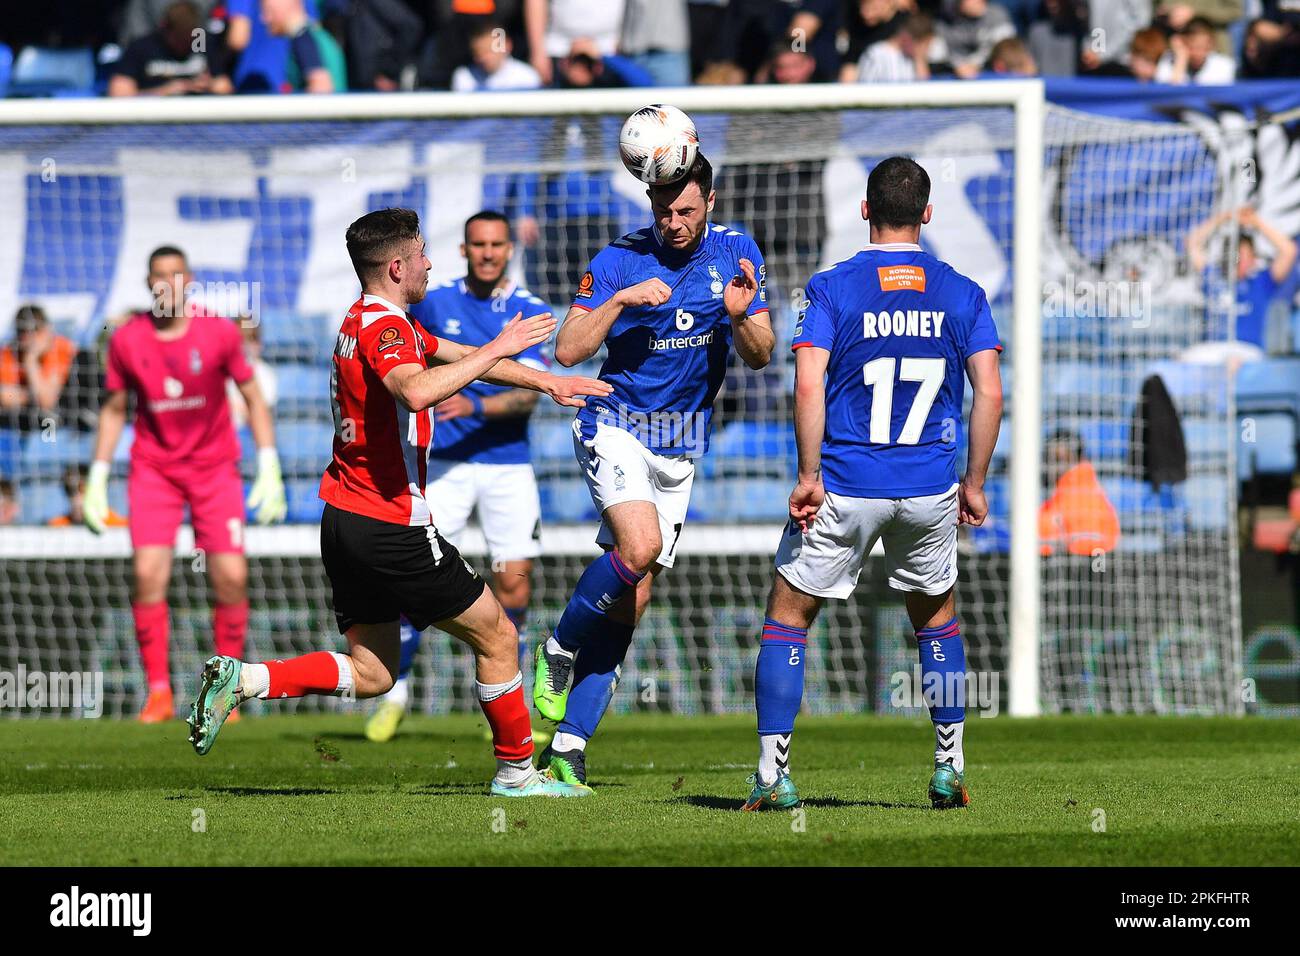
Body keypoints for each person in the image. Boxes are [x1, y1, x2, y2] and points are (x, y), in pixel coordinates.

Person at [182, 207, 610, 799]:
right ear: (396, 265)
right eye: (423, 254)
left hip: (343, 518)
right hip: (389, 522)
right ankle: (516, 774)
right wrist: (502, 344)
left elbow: (456, 356)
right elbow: (414, 391)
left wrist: (548, 381)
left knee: (374, 673)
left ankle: (246, 679)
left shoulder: (372, 320)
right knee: (499, 637)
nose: (432, 263)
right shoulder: (386, 329)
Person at [742, 156, 1003, 811]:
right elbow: (990, 394)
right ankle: (949, 769)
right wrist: (974, 483)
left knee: (789, 618)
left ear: (864, 210)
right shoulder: (963, 292)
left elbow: (807, 382)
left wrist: (808, 475)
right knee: (937, 621)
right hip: (928, 488)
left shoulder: (832, 287)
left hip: (847, 484)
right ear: (928, 213)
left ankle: (774, 776)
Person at [531, 154, 776, 787]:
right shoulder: (618, 259)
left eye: (686, 210)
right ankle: (556, 648)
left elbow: (761, 354)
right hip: (613, 421)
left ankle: (567, 748)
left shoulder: (737, 252)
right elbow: (568, 350)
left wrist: (741, 312)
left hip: (681, 443)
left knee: (630, 601)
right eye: (663, 211)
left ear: (710, 201)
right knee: (639, 548)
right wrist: (618, 301)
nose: (673, 222)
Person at [365, 210, 552, 743]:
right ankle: (393, 695)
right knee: (412, 584)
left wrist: (474, 409)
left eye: (497, 244)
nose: (489, 252)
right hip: (442, 467)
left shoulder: (528, 309)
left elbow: (528, 391)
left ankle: (509, 711)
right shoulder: (435, 300)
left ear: (509, 249)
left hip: (507, 465)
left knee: (513, 589)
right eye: (478, 244)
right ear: (465, 249)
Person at [85, 246, 286, 723]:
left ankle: (225, 689)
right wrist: (96, 474)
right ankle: (158, 691)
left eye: (175, 275)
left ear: (189, 280)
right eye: (158, 276)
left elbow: (253, 397)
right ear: (148, 282)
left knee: (231, 579)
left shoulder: (218, 332)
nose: (167, 284)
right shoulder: (128, 340)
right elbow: (114, 409)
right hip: (153, 472)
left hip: (215, 470)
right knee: (148, 576)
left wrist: (269, 461)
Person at [1187, 206, 1298, 351]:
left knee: (1234, 362)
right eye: (1237, 255)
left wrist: (1256, 222)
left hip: (1247, 352)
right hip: (1212, 350)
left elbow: (1289, 251)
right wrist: (1223, 218)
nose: (1240, 261)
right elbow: (1192, 243)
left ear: (1253, 259)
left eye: (1246, 256)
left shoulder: (1261, 281)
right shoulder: (1213, 278)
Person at [108, 0, 232, 96]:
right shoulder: (142, 48)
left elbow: (225, 86)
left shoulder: (202, 43)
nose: (184, 44)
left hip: (198, 122)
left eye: (188, 38)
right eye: (179, 38)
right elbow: (119, 93)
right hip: (150, 121)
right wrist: (166, 91)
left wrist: (209, 85)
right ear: (166, 29)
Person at [1038, 430, 1120, 556]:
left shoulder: (1083, 497)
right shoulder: (1065, 494)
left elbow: (1091, 551)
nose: (1048, 467)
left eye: (1056, 460)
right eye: (1047, 460)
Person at [0, 305, 76, 430]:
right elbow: (4, 397)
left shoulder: (60, 348)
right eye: (22, 330)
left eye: (34, 329)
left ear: (46, 330)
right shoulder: (9, 353)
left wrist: (30, 360)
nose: (27, 336)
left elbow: (46, 402)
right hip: (21, 419)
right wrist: (32, 395)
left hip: (58, 419)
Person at [261, 0, 347, 92]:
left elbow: (322, 87)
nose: (264, 19)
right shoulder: (315, 35)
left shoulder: (302, 39)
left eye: (268, 10)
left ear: (290, 6)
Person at [451, 19, 542, 92]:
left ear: (507, 45)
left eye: (488, 51)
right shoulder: (464, 77)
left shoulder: (527, 77)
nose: (484, 58)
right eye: (478, 52)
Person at [1155, 17, 1237, 84]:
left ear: (1212, 45)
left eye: (1204, 48)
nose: (1199, 53)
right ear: (1183, 43)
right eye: (1193, 48)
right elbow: (1168, 95)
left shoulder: (1224, 65)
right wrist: (1181, 60)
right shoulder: (1168, 60)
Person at [856, 12, 936, 82]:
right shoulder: (875, 54)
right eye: (925, 46)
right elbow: (865, 90)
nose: (926, 51)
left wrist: (919, 60)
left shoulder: (913, 60)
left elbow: (924, 90)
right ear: (909, 39)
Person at [48, 463, 128, 528]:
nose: (77, 499)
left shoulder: (118, 525)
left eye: (82, 489)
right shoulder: (57, 526)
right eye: (70, 491)